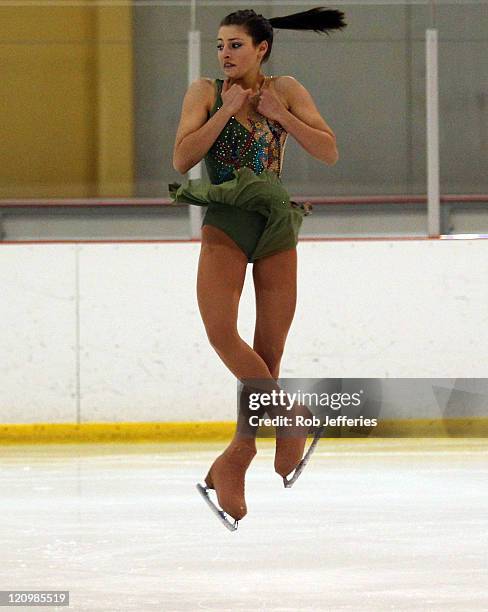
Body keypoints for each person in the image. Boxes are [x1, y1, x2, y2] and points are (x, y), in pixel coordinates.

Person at [170, 7, 346, 529]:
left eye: (235, 45)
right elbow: (181, 159)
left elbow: (329, 150)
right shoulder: (204, 91)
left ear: (261, 48)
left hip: (275, 219)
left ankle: (237, 458)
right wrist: (226, 111)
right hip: (226, 214)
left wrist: (280, 113)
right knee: (223, 333)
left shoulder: (286, 88)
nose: (224, 54)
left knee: (268, 351)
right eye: (220, 45)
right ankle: (291, 417)